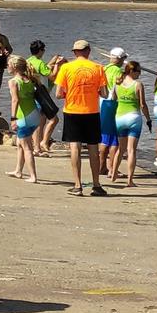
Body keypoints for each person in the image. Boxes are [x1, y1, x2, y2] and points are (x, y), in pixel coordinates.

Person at [54, 39, 109, 197]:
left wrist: (69, 93)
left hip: (72, 111)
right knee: (93, 148)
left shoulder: (66, 67)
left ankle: (77, 185)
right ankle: (96, 185)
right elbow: (104, 93)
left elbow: (58, 94)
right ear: (88, 51)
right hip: (91, 111)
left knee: (75, 148)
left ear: (75, 52)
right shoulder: (98, 68)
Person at [108, 59, 147, 186]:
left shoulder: (117, 83)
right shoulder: (138, 85)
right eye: (138, 71)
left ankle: (113, 174)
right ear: (131, 71)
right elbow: (142, 104)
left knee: (121, 148)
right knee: (131, 151)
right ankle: (130, 180)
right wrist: (149, 118)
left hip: (119, 118)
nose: (139, 74)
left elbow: (113, 99)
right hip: (134, 118)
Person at [3, 56, 42, 183]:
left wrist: (13, 118)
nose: (7, 66)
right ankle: (18, 171)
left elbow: (15, 100)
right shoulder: (30, 79)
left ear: (14, 67)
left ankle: (33, 176)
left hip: (23, 117)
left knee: (27, 147)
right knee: (20, 143)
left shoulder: (14, 81)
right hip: (35, 115)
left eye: (8, 64)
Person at [97, 47, 127, 175]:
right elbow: (119, 89)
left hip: (102, 103)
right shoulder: (118, 71)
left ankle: (102, 166)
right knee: (114, 138)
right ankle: (112, 168)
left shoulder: (104, 69)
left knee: (104, 136)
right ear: (120, 59)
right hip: (112, 103)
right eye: (124, 58)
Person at [26, 40, 59, 155]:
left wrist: (52, 62)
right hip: (41, 94)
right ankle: (39, 146)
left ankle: (38, 144)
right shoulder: (39, 63)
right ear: (40, 51)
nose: (44, 52)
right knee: (47, 120)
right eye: (43, 50)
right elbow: (52, 76)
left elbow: (44, 69)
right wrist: (58, 65)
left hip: (31, 93)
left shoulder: (28, 61)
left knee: (41, 120)